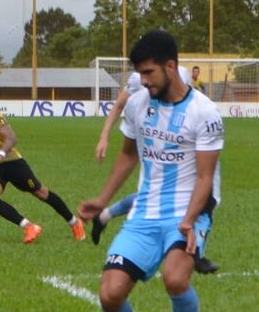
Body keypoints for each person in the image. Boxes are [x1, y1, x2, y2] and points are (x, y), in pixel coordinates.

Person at [80, 30, 224, 312]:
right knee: (110, 295)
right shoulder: (139, 104)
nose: (142, 82)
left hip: (187, 212)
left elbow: (206, 177)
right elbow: (129, 154)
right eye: (139, 74)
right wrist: (103, 199)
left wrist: (190, 221)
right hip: (144, 213)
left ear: (171, 67)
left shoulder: (204, 113)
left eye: (148, 73)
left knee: (175, 279)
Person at [94, 63, 220, 275]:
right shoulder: (137, 79)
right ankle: (195, 254)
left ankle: (105, 216)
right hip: (157, 147)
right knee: (165, 195)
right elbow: (119, 105)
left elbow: (189, 104)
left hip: (182, 143)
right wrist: (104, 135)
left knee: (200, 193)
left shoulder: (181, 76)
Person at [0, 81, 85, 243]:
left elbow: (11, 137)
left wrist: (0, 155)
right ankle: (29, 227)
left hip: (11, 162)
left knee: (41, 193)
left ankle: (74, 223)